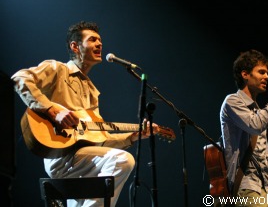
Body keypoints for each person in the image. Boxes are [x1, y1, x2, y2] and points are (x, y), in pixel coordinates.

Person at [11, 21, 159, 207]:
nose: (99, 44)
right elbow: (20, 78)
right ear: (75, 46)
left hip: (84, 159)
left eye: (100, 41)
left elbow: (101, 140)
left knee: (93, 191)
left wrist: (134, 136)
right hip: (60, 155)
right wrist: (52, 110)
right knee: (123, 160)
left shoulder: (92, 92)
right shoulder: (58, 69)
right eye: (93, 40)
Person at [219, 49, 268, 207]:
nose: (266, 77)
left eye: (266, 73)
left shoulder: (258, 110)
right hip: (246, 187)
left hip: (265, 189)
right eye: (261, 72)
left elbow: (263, 157)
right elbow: (256, 125)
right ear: (245, 74)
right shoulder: (232, 101)